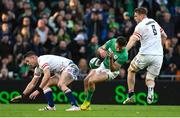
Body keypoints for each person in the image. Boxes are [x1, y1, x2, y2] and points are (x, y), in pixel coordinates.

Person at [123, 7, 167, 104]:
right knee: (150, 78)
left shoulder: (140, 26)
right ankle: (150, 91)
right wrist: (161, 48)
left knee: (131, 70)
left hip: (145, 54)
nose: (135, 18)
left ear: (141, 15)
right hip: (158, 56)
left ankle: (131, 95)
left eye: (136, 16)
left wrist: (125, 50)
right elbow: (165, 36)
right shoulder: (154, 22)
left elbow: (133, 39)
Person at [11, 51, 80, 111]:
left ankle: (75, 106)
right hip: (62, 71)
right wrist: (22, 95)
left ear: (33, 57)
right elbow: (32, 83)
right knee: (45, 85)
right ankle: (51, 106)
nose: (27, 63)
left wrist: (38, 90)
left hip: (71, 67)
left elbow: (47, 75)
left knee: (61, 84)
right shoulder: (37, 69)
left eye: (27, 61)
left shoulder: (42, 60)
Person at [80, 36, 128, 110]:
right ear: (116, 42)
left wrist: (111, 59)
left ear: (124, 47)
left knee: (91, 81)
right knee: (86, 80)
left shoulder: (124, 55)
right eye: (117, 46)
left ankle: (87, 102)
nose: (118, 49)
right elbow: (100, 48)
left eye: (120, 48)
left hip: (111, 71)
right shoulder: (112, 41)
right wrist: (101, 51)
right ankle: (87, 105)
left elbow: (113, 69)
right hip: (103, 65)